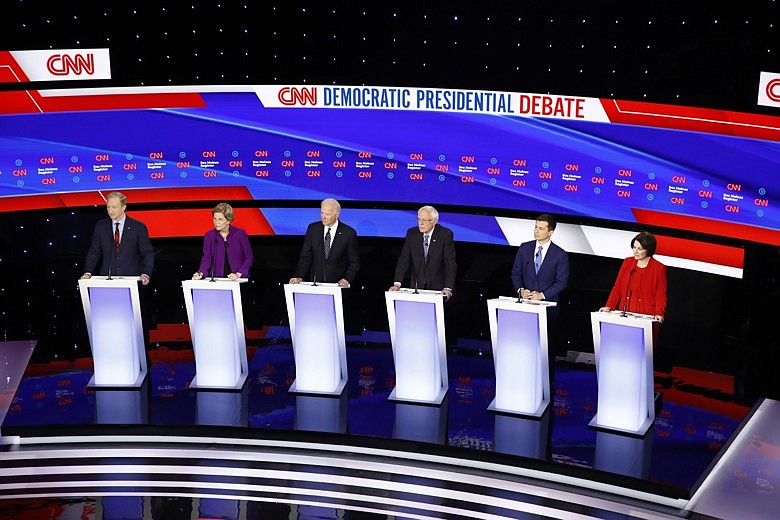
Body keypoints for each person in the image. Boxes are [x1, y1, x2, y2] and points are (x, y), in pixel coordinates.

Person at [511, 214, 570, 372]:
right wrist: (521, 290)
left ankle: (545, 385)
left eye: (541, 228)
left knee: (546, 348)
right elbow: (516, 273)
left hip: (548, 309)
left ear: (550, 232)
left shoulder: (560, 254)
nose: (536, 231)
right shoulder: (525, 248)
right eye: (536, 227)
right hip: (525, 307)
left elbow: (562, 282)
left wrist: (542, 295)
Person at [81, 191, 154, 284]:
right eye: (108, 207)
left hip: (131, 280)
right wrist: (88, 272)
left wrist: (146, 273)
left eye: (114, 207)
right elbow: (94, 252)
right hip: (106, 280)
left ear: (124, 207)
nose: (110, 211)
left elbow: (147, 253)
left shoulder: (138, 227)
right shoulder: (100, 226)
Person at [389, 205, 457, 300]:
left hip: (438, 289)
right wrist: (397, 284)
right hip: (417, 287)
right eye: (419, 219)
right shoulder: (412, 233)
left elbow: (450, 263)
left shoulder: (445, 235)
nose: (420, 223)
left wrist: (448, 287)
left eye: (424, 220)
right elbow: (404, 259)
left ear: (434, 221)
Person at [289, 198, 360, 287]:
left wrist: (346, 279)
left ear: (336, 215)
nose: (323, 217)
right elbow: (305, 257)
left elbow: (354, 262)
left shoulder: (348, 233)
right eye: (322, 213)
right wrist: (299, 276)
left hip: (337, 286)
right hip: (315, 285)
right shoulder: (313, 229)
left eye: (327, 214)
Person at [599, 231, 667, 322]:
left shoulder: (659, 268)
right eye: (634, 247)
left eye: (640, 248)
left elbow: (660, 295)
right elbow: (617, 287)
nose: (635, 251)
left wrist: (659, 313)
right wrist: (609, 306)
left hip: (647, 317)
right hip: (625, 314)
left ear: (649, 250)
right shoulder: (628, 262)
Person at [193, 203, 253, 281]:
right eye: (214, 218)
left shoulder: (240, 234)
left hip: (238, 279)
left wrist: (239, 273)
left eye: (220, 219)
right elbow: (207, 258)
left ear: (228, 220)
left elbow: (249, 257)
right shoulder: (210, 236)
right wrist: (201, 273)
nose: (216, 222)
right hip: (218, 279)